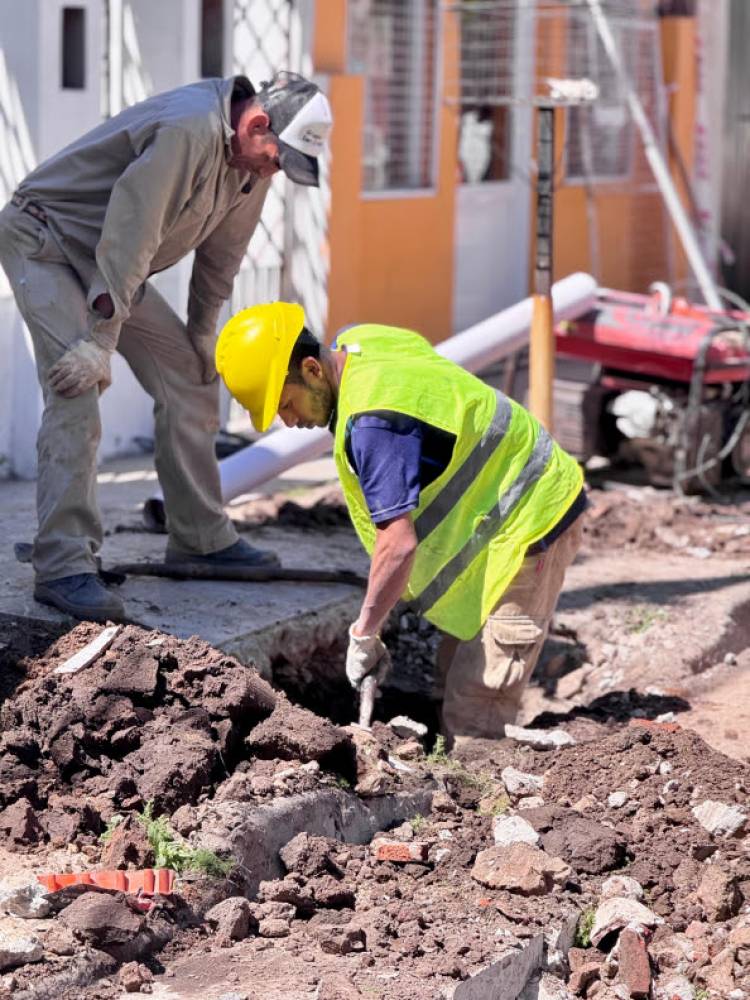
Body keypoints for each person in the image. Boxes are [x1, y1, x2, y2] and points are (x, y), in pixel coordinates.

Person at [0, 72, 332, 622]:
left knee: (190, 375)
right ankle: (63, 564)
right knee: (78, 385)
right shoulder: (188, 128)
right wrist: (99, 342)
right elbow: (133, 230)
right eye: (276, 158)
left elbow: (222, 257)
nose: (274, 171)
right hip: (47, 240)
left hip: (109, 263)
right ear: (257, 123)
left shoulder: (251, 163)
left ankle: (200, 536)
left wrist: (202, 335)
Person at [214, 303, 588, 743]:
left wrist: (365, 632)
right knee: (452, 669)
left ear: (313, 369)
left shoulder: (376, 423)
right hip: (498, 512)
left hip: (534, 517)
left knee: (477, 702)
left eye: (286, 404)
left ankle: (481, 789)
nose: (290, 421)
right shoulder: (362, 341)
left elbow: (398, 543)